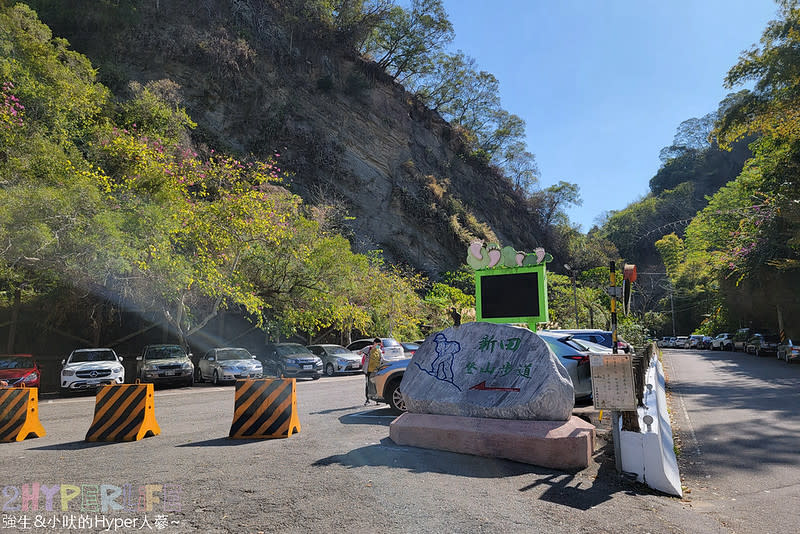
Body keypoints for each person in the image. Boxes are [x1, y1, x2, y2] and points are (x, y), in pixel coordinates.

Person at [364, 338, 382, 406]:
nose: (379, 346)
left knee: (375, 385)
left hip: (376, 371)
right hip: (368, 371)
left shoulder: (379, 351)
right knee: (368, 384)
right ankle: (367, 399)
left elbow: (382, 359)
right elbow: (360, 352)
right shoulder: (368, 349)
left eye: (380, 345)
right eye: (378, 344)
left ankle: (377, 400)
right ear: (374, 343)